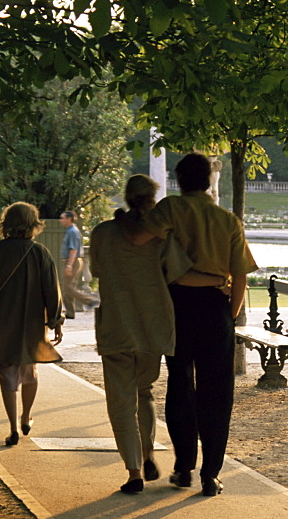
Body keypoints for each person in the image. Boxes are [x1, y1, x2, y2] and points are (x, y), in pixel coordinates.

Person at [132, 153, 258, 497]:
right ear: (208, 180)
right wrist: (228, 314)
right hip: (215, 308)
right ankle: (211, 473)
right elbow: (242, 275)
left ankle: (183, 467)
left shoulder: (171, 208)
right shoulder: (227, 219)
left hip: (177, 306)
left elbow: (139, 238)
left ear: (179, 179)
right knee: (218, 393)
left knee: (180, 384)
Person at [90, 175, 222, 494]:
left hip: (115, 325)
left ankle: (134, 470)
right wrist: (219, 281)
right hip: (152, 326)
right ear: (152, 201)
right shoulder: (161, 238)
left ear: (126, 197)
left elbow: (95, 270)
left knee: (120, 400)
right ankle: (149, 452)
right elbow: (181, 274)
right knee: (144, 391)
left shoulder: (102, 233)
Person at [0, 202, 64, 446]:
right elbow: (52, 289)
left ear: (5, 224)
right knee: (29, 369)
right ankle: (26, 416)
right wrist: (55, 320)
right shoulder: (40, 253)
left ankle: (12, 428)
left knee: (7, 371)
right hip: (31, 321)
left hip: (3, 318)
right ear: (33, 225)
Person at [58, 210, 98, 319]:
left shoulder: (72, 231)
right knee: (68, 289)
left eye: (62, 218)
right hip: (72, 261)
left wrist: (69, 265)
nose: (61, 220)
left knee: (68, 288)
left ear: (69, 219)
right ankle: (70, 313)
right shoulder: (70, 230)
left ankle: (90, 300)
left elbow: (73, 250)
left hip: (73, 260)